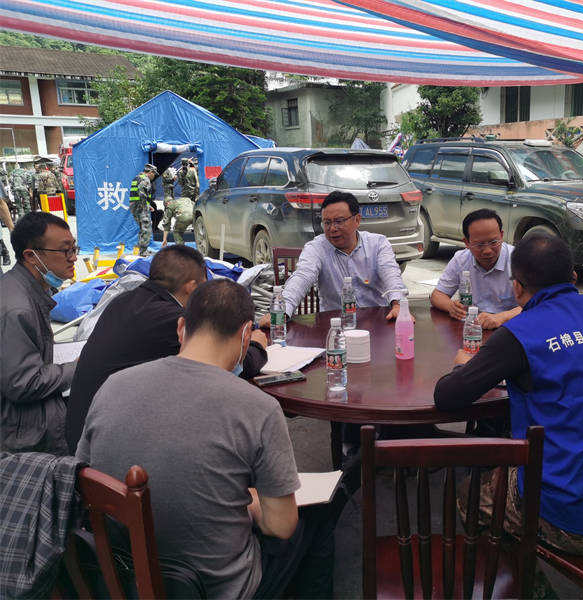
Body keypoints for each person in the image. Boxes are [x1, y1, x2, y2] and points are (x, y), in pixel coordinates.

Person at [76, 278, 334, 598]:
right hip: (214, 590)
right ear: (246, 335)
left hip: (121, 580)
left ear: (181, 327)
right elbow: (280, 526)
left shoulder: (112, 386)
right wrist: (250, 500)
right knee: (318, 519)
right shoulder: (259, 407)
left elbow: (85, 478)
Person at [434, 232, 583, 556]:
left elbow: (448, 397)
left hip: (578, 522)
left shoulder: (521, 333)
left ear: (517, 287)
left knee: (468, 490)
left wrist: (461, 366)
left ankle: (518, 577)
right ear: (574, 277)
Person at [65, 245, 269, 453]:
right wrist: (256, 343)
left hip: (85, 431)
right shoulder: (170, 318)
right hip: (108, 448)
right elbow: (228, 363)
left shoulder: (123, 301)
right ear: (192, 287)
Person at [1, 212, 78, 454]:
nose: (74, 258)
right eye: (65, 251)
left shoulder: (25, 288)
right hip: (23, 430)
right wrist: (78, 366)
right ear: (31, 256)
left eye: (74, 248)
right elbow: (24, 383)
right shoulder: (18, 308)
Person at [283, 191, 407, 320]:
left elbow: (391, 275)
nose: (332, 228)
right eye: (327, 223)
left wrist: (398, 305)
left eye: (339, 221)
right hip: (334, 324)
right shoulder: (316, 248)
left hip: (377, 321)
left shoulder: (378, 244)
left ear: (357, 220)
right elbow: (302, 276)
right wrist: (282, 311)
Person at [430, 208, 520, 329]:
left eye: (493, 242)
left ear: (501, 235)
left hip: (511, 328)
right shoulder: (460, 260)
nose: (487, 251)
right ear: (467, 242)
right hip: (473, 328)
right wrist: (451, 307)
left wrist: (502, 317)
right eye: (479, 244)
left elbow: (537, 304)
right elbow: (437, 295)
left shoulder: (518, 259)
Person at [161, 168, 194, 246]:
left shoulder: (170, 206)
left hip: (183, 217)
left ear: (167, 204)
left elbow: (166, 224)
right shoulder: (185, 199)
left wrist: (164, 239)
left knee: (177, 231)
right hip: (194, 215)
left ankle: (181, 248)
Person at [129, 163, 157, 255]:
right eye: (154, 173)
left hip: (135, 206)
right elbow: (142, 194)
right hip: (140, 206)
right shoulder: (145, 179)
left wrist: (148, 205)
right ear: (150, 172)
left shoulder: (137, 178)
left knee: (142, 228)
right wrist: (145, 206)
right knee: (146, 228)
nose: (154, 176)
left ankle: (141, 249)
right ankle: (143, 251)